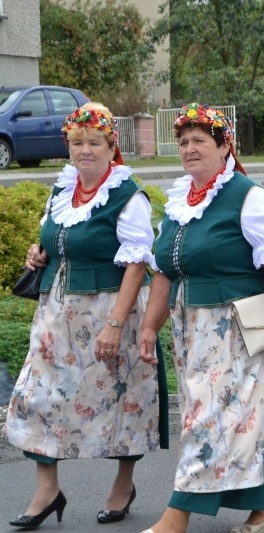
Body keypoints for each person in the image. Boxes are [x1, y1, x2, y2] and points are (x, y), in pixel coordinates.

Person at [3, 103, 168, 528]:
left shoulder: (126, 195)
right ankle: (47, 490)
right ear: (69, 148)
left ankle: (124, 483)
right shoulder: (62, 191)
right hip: (58, 315)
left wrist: (115, 324)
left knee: (121, 399)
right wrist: (40, 253)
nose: (85, 150)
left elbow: (137, 263)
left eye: (95, 142)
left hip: (110, 312)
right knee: (37, 396)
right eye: (77, 143)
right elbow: (55, 239)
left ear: (112, 146)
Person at [137, 103, 264, 533]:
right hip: (190, 329)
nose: (190, 149)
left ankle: (178, 514)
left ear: (225, 146)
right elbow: (164, 272)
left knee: (207, 421)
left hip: (235, 328)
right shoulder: (178, 202)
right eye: (184, 141)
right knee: (227, 421)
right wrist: (150, 325)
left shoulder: (246, 196)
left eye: (200, 141)